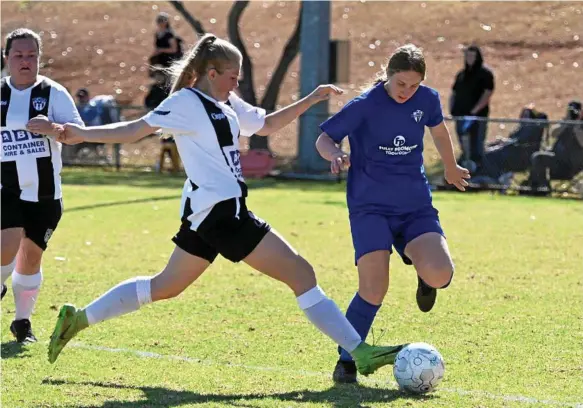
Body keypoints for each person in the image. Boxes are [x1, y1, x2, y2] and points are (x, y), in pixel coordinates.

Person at [47, 34, 408, 375]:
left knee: (165, 286)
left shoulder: (227, 103)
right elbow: (134, 130)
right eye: (232, 76)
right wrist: (80, 134)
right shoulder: (186, 102)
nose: (237, 83)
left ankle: (77, 319)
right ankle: (360, 353)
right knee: (302, 274)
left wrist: (311, 98)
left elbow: (264, 125)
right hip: (222, 214)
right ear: (212, 73)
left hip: (210, 213)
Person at [315, 44, 470, 383]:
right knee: (374, 288)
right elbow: (324, 139)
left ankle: (423, 275)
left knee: (441, 274)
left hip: (414, 206)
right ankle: (347, 361)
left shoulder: (426, 100)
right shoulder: (365, 104)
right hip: (370, 208)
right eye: (401, 84)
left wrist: (450, 166)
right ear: (389, 75)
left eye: (414, 86)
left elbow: (440, 131)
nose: (407, 92)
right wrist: (336, 155)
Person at [1, 28, 84, 343]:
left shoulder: (53, 93)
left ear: (39, 58)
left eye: (31, 55)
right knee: (5, 248)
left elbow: (78, 134)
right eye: (19, 55)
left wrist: (54, 129)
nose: (25, 61)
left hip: (45, 193)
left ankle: (22, 322)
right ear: (7, 58)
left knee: (30, 257)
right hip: (5, 189)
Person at [523, 100, 583, 195]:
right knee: (535, 156)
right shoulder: (566, 123)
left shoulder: (580, 126)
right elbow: (553, 133)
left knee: (538, 158)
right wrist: (566, 122)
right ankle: (535, 187)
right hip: (556, 161)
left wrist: (577, 128)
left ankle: (543, 188)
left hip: (569, 167)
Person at [450, 45, 495, 170]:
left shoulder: (485, 74)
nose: (469, 58)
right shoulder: (461, 75)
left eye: (472, 56)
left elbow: (487, 93)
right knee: (464, 147)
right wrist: (453, 109)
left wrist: (474, 111)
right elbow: (454, 93)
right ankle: (466, 170)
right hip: (461, 117)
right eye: (467, 56)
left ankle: (481, 172)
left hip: (477, 118)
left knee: (477, 147)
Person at [144, 70, 180, 173]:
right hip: (160, 121)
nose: (158, 79)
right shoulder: (154, 89)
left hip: (170, 120)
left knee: (172, 143)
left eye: (160, 76)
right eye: (156, 76)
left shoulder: (168, 89)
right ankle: (167, 166)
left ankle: (175, 166)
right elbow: (147, 102)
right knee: (166, 143)